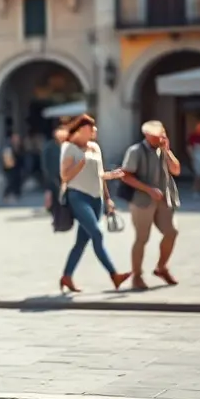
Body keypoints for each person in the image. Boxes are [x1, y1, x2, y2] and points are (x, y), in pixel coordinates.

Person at [58, 115, 131, 293]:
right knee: (97, 234)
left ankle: (66, 277)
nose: (95, 132)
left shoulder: (95, 148)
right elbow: (65, 177)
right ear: (83, 130)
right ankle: (114, 275)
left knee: (81, 241)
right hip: (78, 197)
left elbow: (100, 176)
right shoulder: (69, 148)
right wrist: (81, 163)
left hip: (96, 198)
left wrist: (108, 196)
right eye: (92, 129)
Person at [120, 120, 181, 290]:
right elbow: (126, 176)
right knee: (142, 238)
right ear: (147, 135)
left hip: (163, 200)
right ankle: (137, 276)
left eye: (161, 135)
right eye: (155, 136)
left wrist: (167, 151)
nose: (159, 138)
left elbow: (176, 170)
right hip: (142, 201)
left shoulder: (163, 150)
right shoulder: (135, 151)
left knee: (171, 232)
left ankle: (161, 267)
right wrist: (148, 189)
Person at [41, 126, 67, 213]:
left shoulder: (66, 146)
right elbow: (44, 161)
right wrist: (47, 173)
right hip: (52, 174)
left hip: (63, 173)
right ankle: (52, 208)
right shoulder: (49, 146)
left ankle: (61, 208)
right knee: (52, 191)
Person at [1, 133, 24, 203]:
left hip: (16, 168)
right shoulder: (8, 147)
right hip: (10, 169)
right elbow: (7, 160)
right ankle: (6, 195)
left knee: (16, 181)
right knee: (10, 182)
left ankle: (15, 195)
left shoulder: (18, 147)